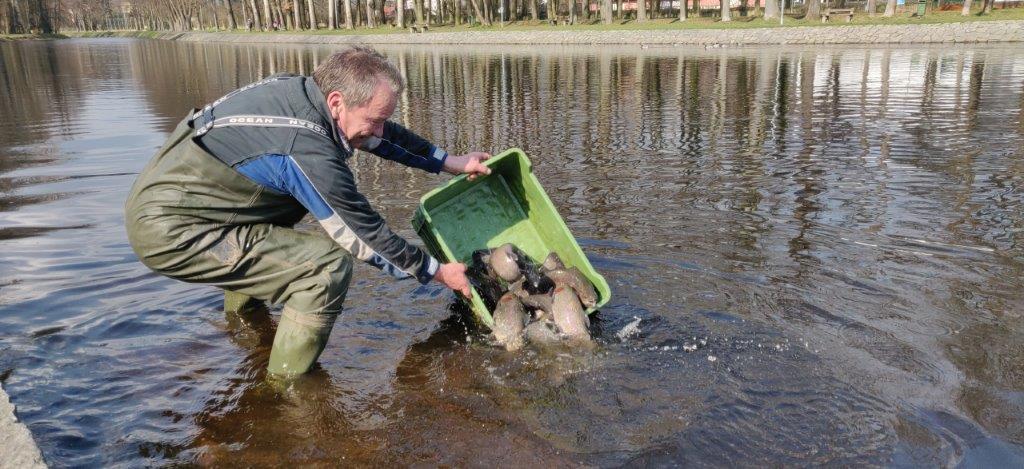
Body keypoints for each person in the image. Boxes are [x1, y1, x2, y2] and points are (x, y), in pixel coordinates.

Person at [125, 46, 490, 378]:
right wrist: (436, 271)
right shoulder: (306, 147)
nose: (379, 131)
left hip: (192, 202)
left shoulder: (305, 93)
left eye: (383, 119)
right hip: (172, 229)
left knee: (284, 220)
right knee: (324, 267)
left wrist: (449, 162)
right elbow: (362, 234)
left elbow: (379, 135)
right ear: (337, 102)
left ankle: (244, 322)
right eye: (375, 119)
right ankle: (284, 387)